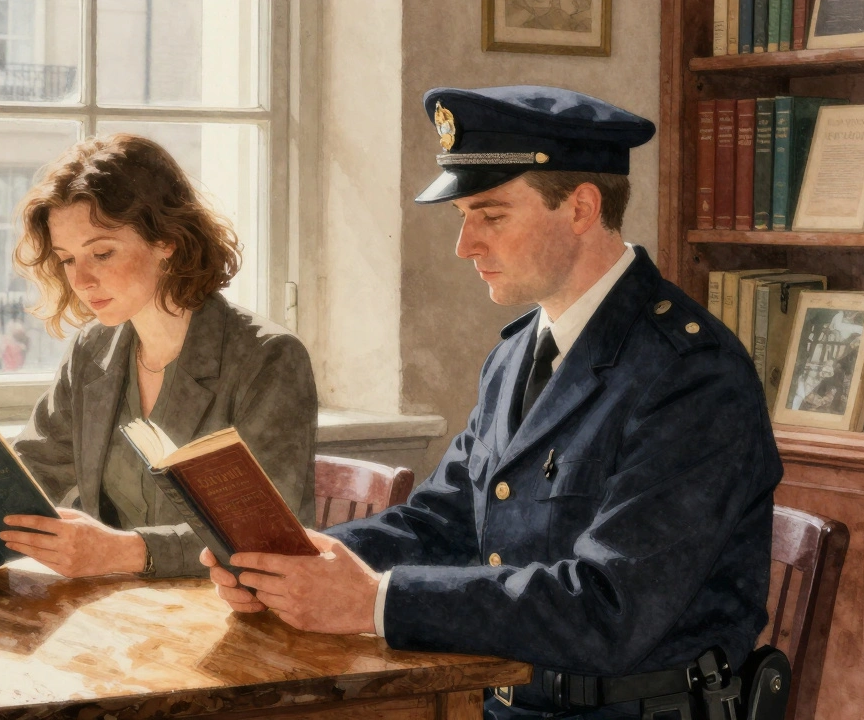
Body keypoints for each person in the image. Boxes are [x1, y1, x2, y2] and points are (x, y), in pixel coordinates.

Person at [203, 86, 783, 719]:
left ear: (582, 208)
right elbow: (442, 522)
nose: (466, 245)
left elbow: (610, 606)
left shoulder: (690, 374)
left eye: (493, 215)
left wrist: (376, 602)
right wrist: (292, 563)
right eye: (463, 218)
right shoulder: (517, 355)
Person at [0, 133, 318, 579]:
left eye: (101, 253)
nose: (82, 280)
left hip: (233, 618)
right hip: (113, 613)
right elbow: (33, 474)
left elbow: (265, 539)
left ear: (166, 239)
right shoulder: (92, 351)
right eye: (67, 259)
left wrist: (125, 552)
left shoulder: (269, 359)